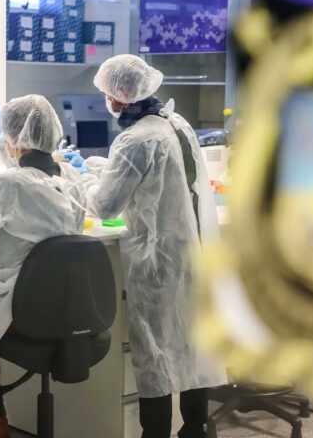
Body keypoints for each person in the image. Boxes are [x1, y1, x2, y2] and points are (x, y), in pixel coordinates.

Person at [83, 54, 224, 438]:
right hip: (192, 252)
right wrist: (104, 169)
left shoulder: (134, 139)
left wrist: (82, 182)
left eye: (108, 94)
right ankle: (194, 430)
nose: (107, 101)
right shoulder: (177, 124)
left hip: (158, 262)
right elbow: (161, 178)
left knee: (155, 353)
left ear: (121, 96)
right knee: (193, 347)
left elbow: (105, 206)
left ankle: (156, 434)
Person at [0, 94, 87, 438]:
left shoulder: (7, 184)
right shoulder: (73, 178)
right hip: (70, 308)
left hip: (23, 312)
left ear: (11, 138)